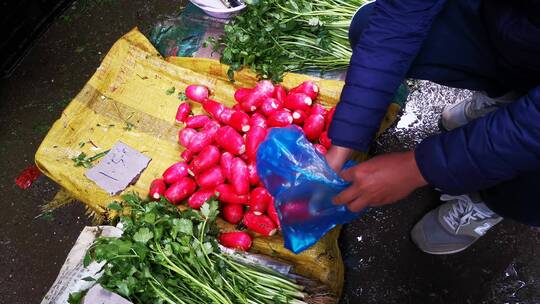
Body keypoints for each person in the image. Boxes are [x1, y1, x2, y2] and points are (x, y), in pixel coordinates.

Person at [326, 0, 540, 255]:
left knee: (527, 171)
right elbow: (400, 17)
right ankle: (508, 96)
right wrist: (347, 136)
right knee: (368, 26)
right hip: (515, 28)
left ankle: (495, 200)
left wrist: (417, 168)